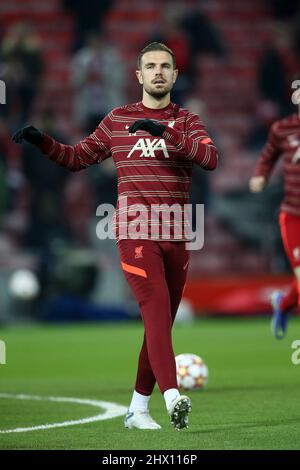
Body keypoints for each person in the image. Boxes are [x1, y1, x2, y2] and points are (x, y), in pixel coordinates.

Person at [12, 42, 219, 430]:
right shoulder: (117, 119)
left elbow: (210, 159)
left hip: (178, 234)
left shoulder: (188, 121)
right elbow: (76, 158)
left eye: (165, 66)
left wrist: (166, 133)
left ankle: (137, 410)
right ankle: (172, 396)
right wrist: (42, 140)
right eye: (150, 66)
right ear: (138, 76)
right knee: (156, 309)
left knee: (160, 325)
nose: (158, 72)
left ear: (175, 75)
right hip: (135, 231)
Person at [249, 79, 300, 339]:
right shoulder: (283, 129)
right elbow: (267, 156)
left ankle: (283, 302)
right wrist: (261, 176)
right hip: (293, 214)